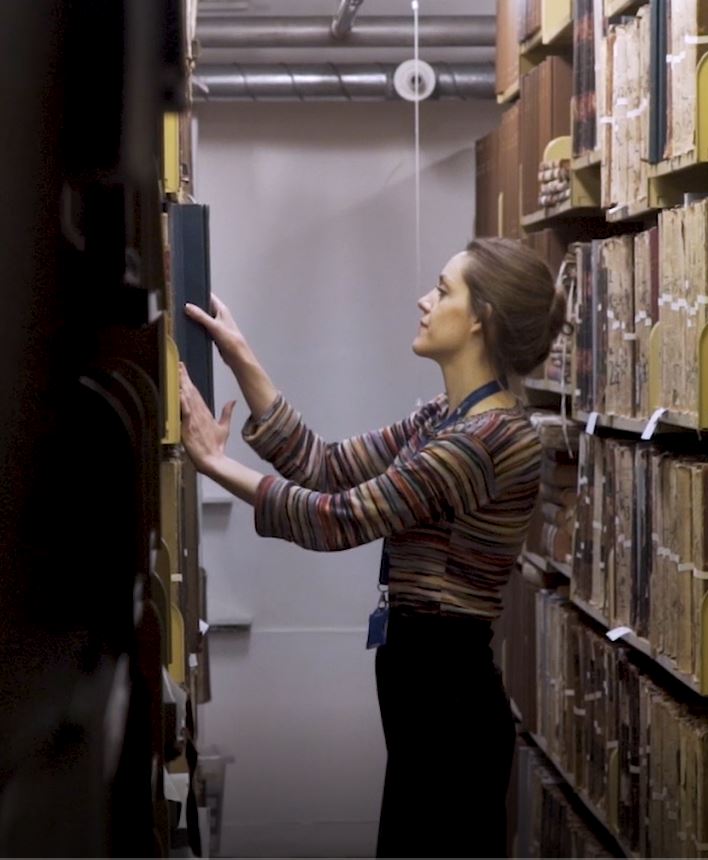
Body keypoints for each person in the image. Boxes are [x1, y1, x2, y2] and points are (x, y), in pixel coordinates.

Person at [178, 237, 567, 858]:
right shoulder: (445, 417)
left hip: (449, 695)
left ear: (479, 318)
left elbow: (338, 519)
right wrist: (239, 354)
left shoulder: (487, 439)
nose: (423, 300)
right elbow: (327, 467)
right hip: (424, 686)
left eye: (442, 290)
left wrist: (216, 465)